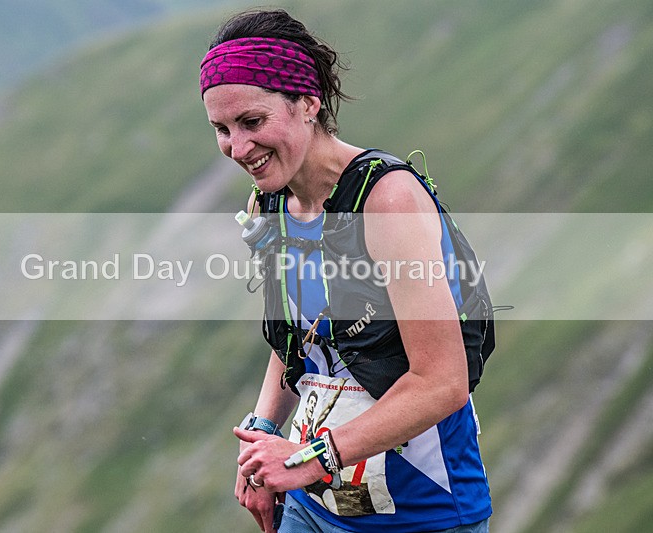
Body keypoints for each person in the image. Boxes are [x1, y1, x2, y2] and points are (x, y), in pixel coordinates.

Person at [200, 9, 491, 533]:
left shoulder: (386, 201)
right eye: (221, 129)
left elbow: (443, 381)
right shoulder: (274, 203)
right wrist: (263, 433)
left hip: (421, 515)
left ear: (308, 103)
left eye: (252, 122)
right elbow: (301, 341)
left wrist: (309, 460)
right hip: (312, 509)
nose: (238, 149)